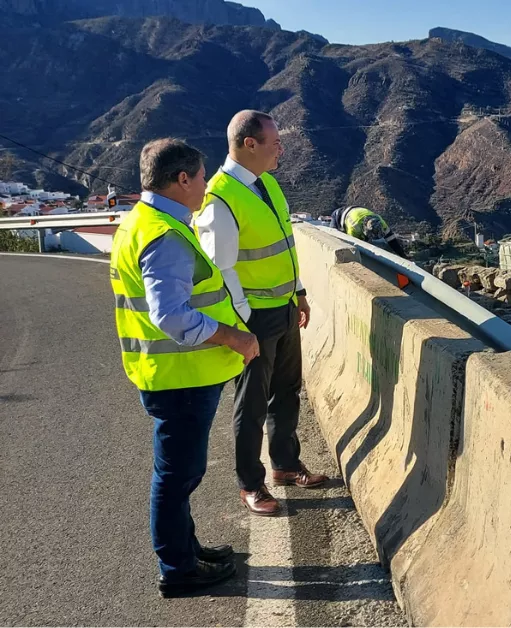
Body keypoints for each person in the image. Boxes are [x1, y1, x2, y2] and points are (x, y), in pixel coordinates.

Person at [111, 138, 261, 596]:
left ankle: (186, 550)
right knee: (176, 477)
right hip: (181, 380)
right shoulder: (164, 235)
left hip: (169, 376)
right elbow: (173, 316)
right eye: (199, 176)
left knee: (180, 475)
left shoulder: (144, 221)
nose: (204, 185)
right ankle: (178, 570)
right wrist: (234, 336)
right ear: (181, 179)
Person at [195, 110, 328, 517]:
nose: (280, 150)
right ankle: (250, 484)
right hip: (255, 317)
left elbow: (284, 244)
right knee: (251, 403)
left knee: (287, 391)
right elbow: (222, 269)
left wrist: (299, 292)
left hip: (284, 306)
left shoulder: (266, 183)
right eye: (274, 143)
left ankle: (285, 465)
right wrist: (244, 321)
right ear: (248, 144)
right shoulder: (219, 198)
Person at [330, 206, 406, 256]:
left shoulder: (381, 222)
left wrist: (402, 255)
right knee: (334, 242)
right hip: (338, 216)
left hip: (356, 211)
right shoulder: (354, 227)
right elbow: (353, 247)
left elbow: (391, 239)